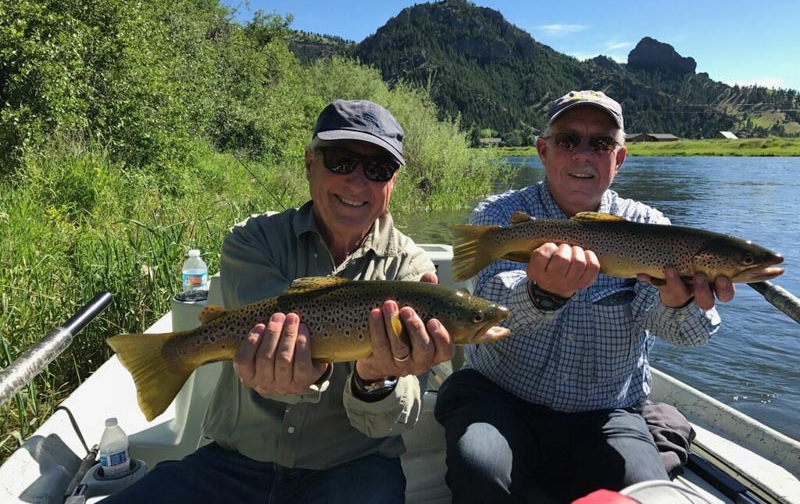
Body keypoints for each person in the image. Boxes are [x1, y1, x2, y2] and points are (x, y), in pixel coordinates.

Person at [106, 99, 455, 504]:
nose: (358, 183)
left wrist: (376, 378)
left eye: (378, 170)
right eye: (341, 160)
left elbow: (395, 420)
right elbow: (266, 342)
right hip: (230, 466)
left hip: (352, 472)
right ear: (310, 164)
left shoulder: (411, 272)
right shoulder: (253, 240)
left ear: (392, 182)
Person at [434, 90, 735, 503]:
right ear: (543, 150)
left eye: (601, 143)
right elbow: (482, 313)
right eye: (568, 140)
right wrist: (541, 293)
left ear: (619, 158)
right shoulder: (498, 220)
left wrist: (681, 303)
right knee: (480, 468)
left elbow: (688, 335)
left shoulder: (651, 228)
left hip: (607, 412)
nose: (583, 154)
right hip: (499, 397)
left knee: (643, 492)